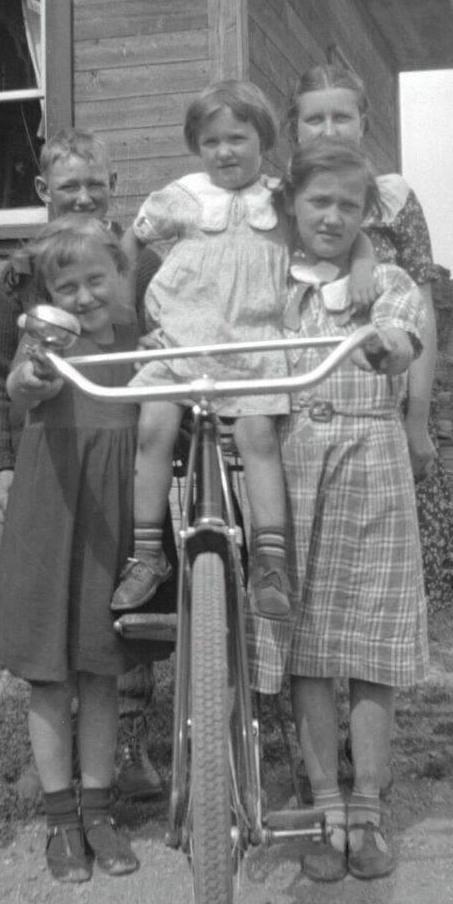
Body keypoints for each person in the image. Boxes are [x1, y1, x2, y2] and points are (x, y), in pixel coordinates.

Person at [247, 138, 430, 883]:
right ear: (291, 202)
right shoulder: (271, 284)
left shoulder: (384, 279)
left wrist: (389, 344)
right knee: (311, 652)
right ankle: (325, 806)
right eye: (318, 202)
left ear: (367, 214)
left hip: (371, 469)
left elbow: (404, 329)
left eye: (347, 205)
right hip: (292, 473)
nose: (332, 216)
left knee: (374, 649)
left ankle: (369, 805)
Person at [0, 128, 165, 800]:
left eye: (95, 185)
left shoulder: (142, 264)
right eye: (68, 187)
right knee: (55, 612)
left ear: (114, 187)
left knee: (115, 612)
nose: (82, 196)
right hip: (55, 466)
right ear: (43, 192)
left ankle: (128, 755)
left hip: (124, 467)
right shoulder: (26, 271)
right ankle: (54, 770)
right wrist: (0, 464)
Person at [0, 216, 151, 882]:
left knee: (100, 668)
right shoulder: (46, 344)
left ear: (122, 279)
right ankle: (61, 821)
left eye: (97, 280)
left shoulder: (144, 344)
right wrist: (32, 378)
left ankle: (99, 811)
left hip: (112, 515)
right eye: (68, 285)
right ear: (48, 295)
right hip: (51, 506)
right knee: (50, 673)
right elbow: (19, 387)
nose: (85, 296)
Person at [109, 80, 294, 622]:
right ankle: (147, 553)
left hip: (253, 344)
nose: (224, 152)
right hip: (180, 340)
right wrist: (126, 306)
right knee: (152, 429)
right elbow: (133, 239)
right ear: (197, 146)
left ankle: (270, 560)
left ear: (263, 140)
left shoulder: (280, 198)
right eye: (211, 141)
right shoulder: (184, 195)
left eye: (237, 138)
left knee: (258, 436)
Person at [286, 60, 453, 612]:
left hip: (381, 399)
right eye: (315, 119)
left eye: (342, 116)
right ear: (295, 127)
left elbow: (423, 312)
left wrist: (417, 417)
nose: (330, 129)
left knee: (382, 583)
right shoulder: (290, 195)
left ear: (363, 123)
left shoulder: (392, 197)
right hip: (307, 408)